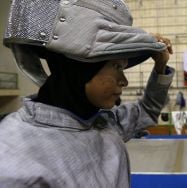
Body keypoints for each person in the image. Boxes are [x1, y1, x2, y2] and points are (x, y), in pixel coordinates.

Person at [0, 0, 174, 187]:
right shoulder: (10, 162)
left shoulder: (102, 123)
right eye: (116, 66)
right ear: (81, 69)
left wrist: (160, 68)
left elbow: (147, 111)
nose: (124, 81)